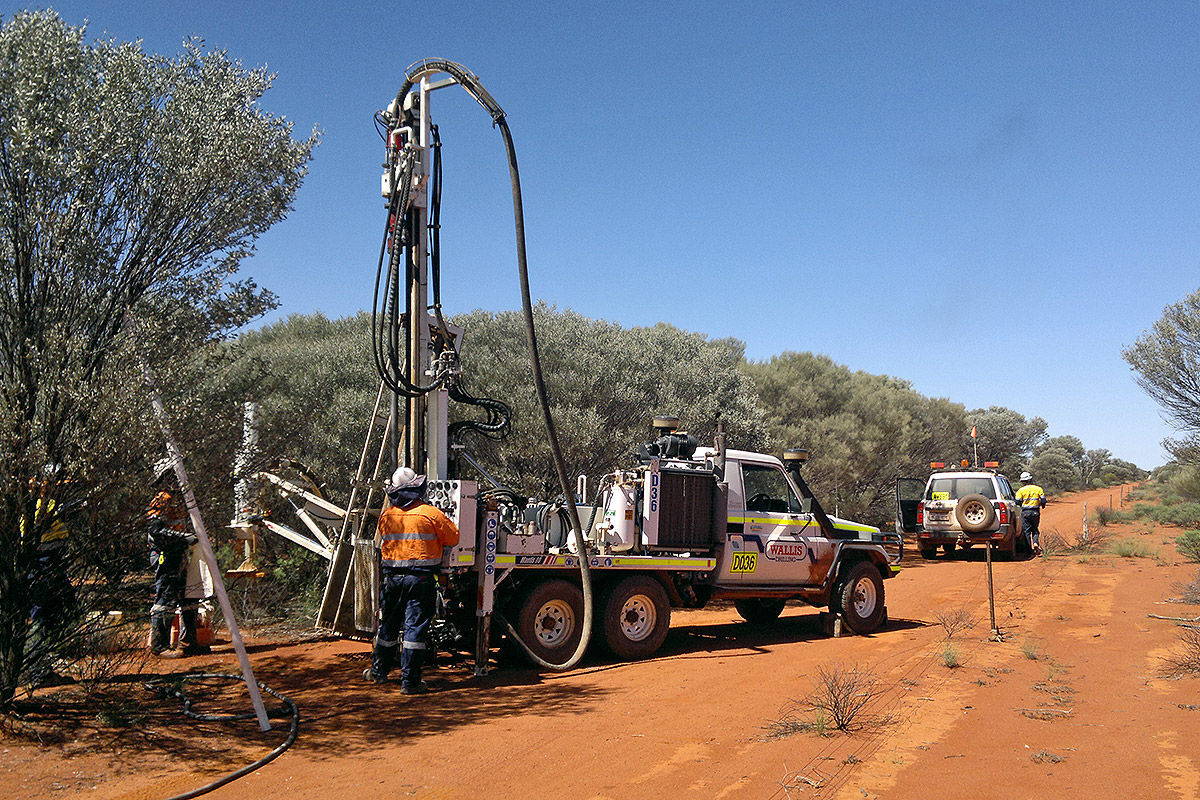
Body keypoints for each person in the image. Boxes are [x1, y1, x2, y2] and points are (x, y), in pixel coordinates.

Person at [364, 467, 459, 693]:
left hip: (392, 581)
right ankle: (410, 683)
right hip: (420, 580)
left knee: (388, 626)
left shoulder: (387, 516)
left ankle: (379, 672)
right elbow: (454, 537)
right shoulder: (430, 513)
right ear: (416, 488)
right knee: (414, 630)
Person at [147, 459, 211, 657]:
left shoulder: (182, 499)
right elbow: (155, 531)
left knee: (190, 596)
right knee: (166, 597)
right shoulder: (161, 499)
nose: (176, 479)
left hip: (182, 554)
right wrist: (183, 537)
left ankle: (189, 640)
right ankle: (160, 645)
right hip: (166, 555)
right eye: (172, 475)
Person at [1016, 471, 1047, 556]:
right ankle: (1036, 543)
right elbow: (1043, 500)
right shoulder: (1038, 489)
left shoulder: (1021, 490)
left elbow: (1017, 501)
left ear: (1023, 481)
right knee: (1035, 530)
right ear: (1030, 479)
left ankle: (1029, 551)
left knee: (1027, 532)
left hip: (1025, 512)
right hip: (1035, 512)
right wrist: (1042, 505)